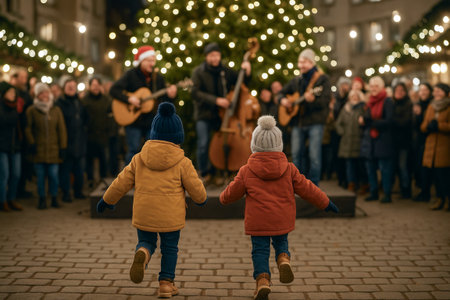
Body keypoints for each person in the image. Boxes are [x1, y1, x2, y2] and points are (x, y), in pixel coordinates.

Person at [219, 115, 338, 300]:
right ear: (279, 144)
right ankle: (283, 258)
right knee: (281, 242)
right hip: (282, 218)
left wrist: (222, 198)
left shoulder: (246, 170)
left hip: (258, 222)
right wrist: (325, 202)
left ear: (254, 144)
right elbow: (308, 188)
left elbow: (231, 193)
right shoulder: (289, 169)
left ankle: (262, 282)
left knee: (260, 250)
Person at [96, 102, 206, 298]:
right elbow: (195, 187)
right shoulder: (183, 162)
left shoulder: (139, 158)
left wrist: (107, 200)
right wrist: (201, 200)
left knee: (147, 241)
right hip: (170, 216)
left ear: (153, 133)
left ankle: (144, 253)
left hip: (144, 211)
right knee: (170, 248)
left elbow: (121, 182)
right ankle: (165, 284)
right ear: (177, 136)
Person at [191, 42, 252, 183]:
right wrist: (216, 100)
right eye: (212, 55)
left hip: (222, 115)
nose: (215, 58)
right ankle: (204, 173)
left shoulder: (225, 71)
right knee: (203, 143)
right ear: (206, 57)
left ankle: (219, 172)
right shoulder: (198, 72)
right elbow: (195, 93)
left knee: (221, 143)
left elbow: (241, 82)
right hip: (204, 114)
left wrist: (246, 71)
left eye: (217, 55)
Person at [110, 45, 177, 165]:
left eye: (153, 60)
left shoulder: (158, 78)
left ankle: (149, 180)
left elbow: (164, 102)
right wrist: (129, 98)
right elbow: (114, 90)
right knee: (133, 150)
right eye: (149, 60)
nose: (152, 63)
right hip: (133, 120)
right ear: (141, 60)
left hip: (151, 121)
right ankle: (129, 180)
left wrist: (171, 96)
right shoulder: (130, 75)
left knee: (152, 152)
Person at [278, 48, 331, 186]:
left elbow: (325, 101)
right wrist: (283, 100)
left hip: (315, 122)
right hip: (298, 123)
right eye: (300, 62)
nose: (302, 65)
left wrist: (313, 100)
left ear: (312, 63)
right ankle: (296, 184)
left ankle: (313, 186)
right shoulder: (296, 81)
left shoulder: (322, 80)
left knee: (314, 156)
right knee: (296, 155)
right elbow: (280, 93)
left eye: (305, 62)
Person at [25, 83, 67, 209]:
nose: (44, 95)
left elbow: (61, 129)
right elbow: (28, 128)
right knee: (40, 177)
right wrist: (31, 142)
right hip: (39, 150)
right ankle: (42, 199)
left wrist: (63, 147)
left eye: (46, 92)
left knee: (54, 176)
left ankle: (54, 198)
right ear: (37, 95)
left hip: (54, 150)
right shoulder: (32, 110)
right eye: (41, 93)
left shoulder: (56, 110)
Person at [359, 76, 395, 203]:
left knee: (385, 169)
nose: (373, 88)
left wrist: (370, 122)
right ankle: (374, 192)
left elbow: (389, 121)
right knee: (370, 168)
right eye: (371, 86)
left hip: (383, 140)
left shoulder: (388, 101)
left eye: (376, 86)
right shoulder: (370, 102)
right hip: (370, 140)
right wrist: (364, 121)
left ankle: (386, 193)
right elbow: (367, 119)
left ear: (382, 87)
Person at [56, 78, 88, 202]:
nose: (71, 89)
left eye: (73, 87)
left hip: (79, 141)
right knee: (65, 170)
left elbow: (85, 119)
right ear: (64, 88)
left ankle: (78, 191)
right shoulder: (60, 103)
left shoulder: (79, 102)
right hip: (66, 141)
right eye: (69, 87)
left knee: (79, 170)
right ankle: (66, 193)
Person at [420, 83, 450, 211]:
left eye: (439, 91)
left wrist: (439, 125)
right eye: (435, 91)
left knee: (445, 176)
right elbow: (423, 125)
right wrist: (428, 126)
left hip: (444, 145)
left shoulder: (448, 106)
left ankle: (448, 199)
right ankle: (439, 198)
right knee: (436, 176)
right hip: (431, 145)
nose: (436, 93)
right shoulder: (431, 106)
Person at [82, 77, 112, 185]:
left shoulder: (106, 100)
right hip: (89, 135)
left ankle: (103, 180)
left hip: (103, 134)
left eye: (97, 85)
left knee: (103, 159)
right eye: (93, 85)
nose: (95, 87)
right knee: (89, 160)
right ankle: (90, 179)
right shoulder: (84, 101)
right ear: (89, 87)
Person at [335, 89, 366, 192]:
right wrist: (342, 132)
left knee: (360, 165)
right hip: (347, 141)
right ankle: (351, 183)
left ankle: (362, 184)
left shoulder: (362, 108)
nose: (354, 98)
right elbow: (338, 123)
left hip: (358, 140)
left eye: (356, 96)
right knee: (349, 164)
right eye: (352, 96)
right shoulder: (345, 108)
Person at [0, 81, 23, 212]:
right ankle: (2, 201)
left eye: (14, 92)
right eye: (10, 92)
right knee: (4, 175)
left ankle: (12, 198)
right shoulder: (2, 107)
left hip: (15, 145)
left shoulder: (16, 107)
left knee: (16, 174)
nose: (12, 94)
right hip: (2, 146)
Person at [413, 83, 433, 202]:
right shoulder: (417, 105)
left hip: (429, 140)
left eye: (425, 89)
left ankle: (427, 192)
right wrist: (417, 115)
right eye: (421, 90)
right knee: (419, 167)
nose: (423, 92)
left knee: (427, 168)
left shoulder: (432, 105)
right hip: (418, 141)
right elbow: (415, 126)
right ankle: (423, 191)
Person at [392, 83, 413, 199]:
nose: (399, 92)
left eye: (401, 90)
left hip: (404, 142)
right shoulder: (392, 104)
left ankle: (406, 189)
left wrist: (392, 120)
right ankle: (401, 188)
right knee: (397, 167)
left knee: (403, 166)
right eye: (397, 90)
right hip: (393, 142)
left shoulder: (408, 104)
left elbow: (405, 122)